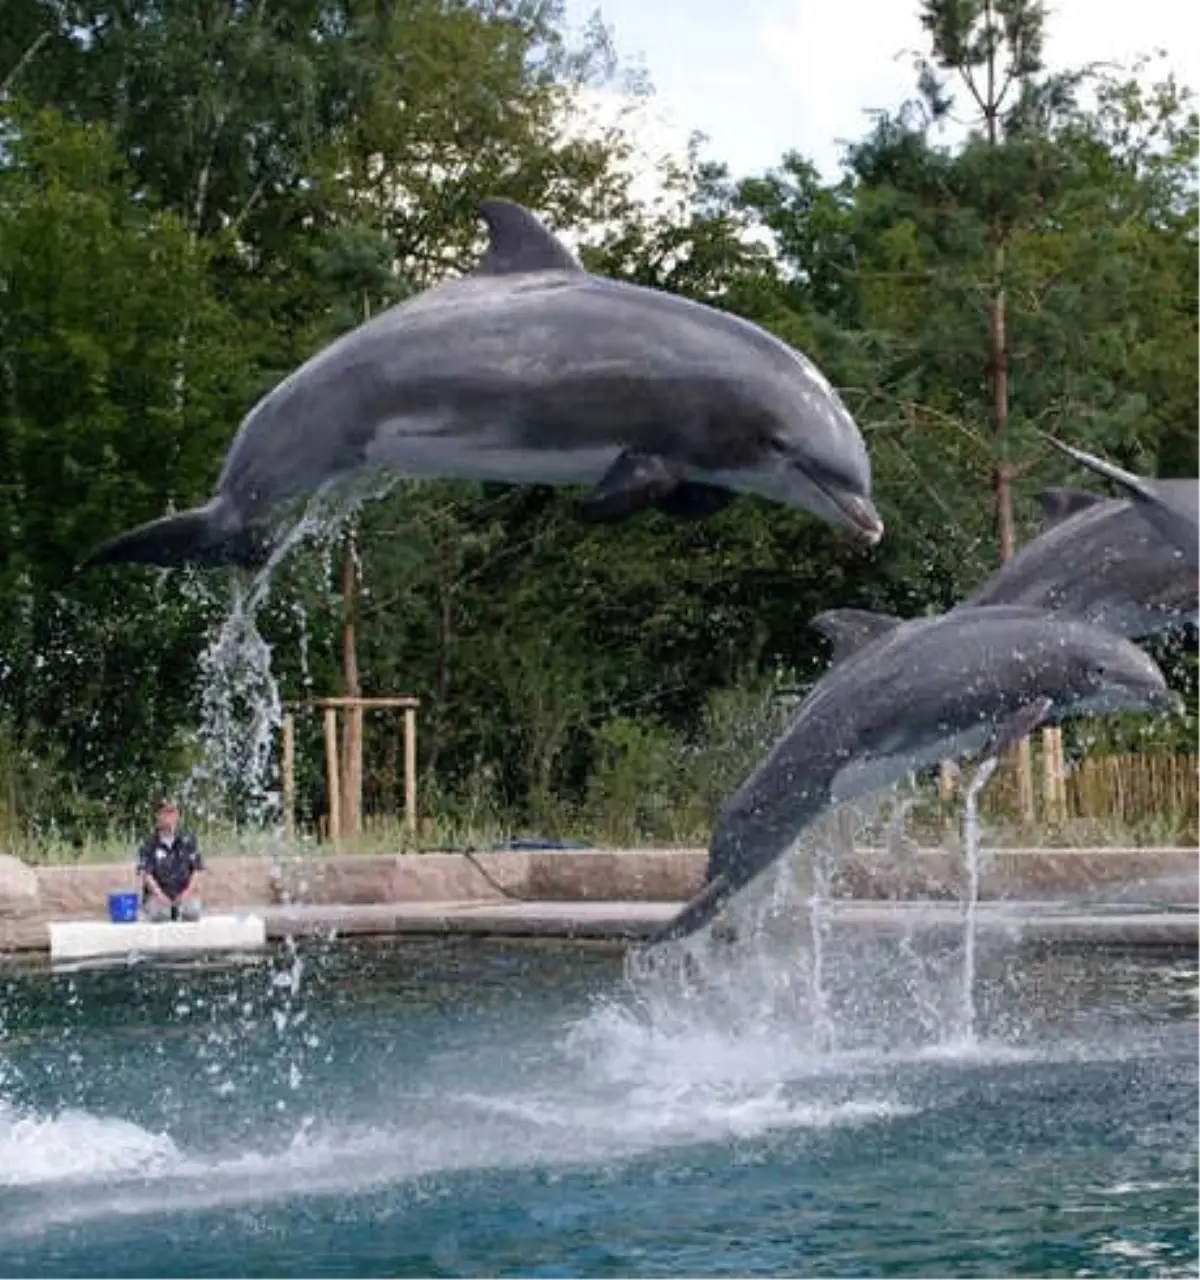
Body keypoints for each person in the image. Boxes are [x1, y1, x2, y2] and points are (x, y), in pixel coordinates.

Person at [136, 799, 204, 922]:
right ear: (158, 815)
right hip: (158, 894)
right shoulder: (148, 842)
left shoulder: (188, 839)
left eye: (172, 812)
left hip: (183, 892)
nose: (169, 816)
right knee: (160, 916)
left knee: (193, 913)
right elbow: (146, 874)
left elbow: (197, 869)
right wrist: (159, 895)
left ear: (177, 815)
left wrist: (187, 893)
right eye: (165, 812)